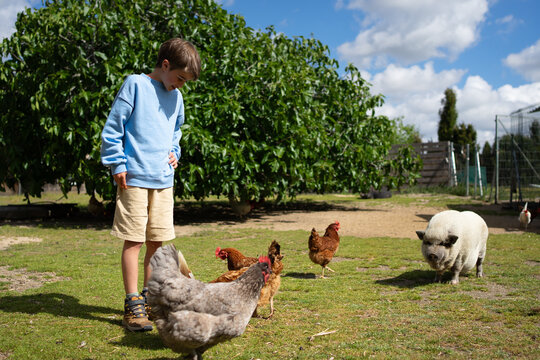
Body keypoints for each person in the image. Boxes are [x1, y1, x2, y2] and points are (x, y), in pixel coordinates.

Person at [100, 38, 201, 332]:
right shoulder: (135, 85)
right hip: (133, 179)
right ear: (165, 65)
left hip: (163, 182)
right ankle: (132, 304)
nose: (181, 85)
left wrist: (175, 152)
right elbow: (113, 127)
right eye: (180, 78)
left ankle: (149, 300)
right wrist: (117, 162)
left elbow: (175, 132)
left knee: (157, 245)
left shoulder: (177, 98)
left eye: (186, 82)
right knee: (134, 240)